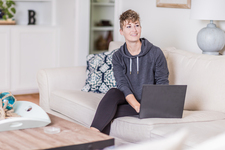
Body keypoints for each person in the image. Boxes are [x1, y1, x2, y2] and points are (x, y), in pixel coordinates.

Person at [90, 9, 169, 135]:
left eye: (137, 25)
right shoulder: (118, 56)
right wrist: (137, 106)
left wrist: (148, 105)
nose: (134, 30)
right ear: (121, 32)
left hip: (148, 103)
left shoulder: (155, 53)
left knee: (107, 112)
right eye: (129, 26)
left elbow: (162, 84)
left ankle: (93, 139)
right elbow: (122, 84)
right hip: (129, 100)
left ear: (141, 28)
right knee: (113, 92)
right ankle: (92, 135)